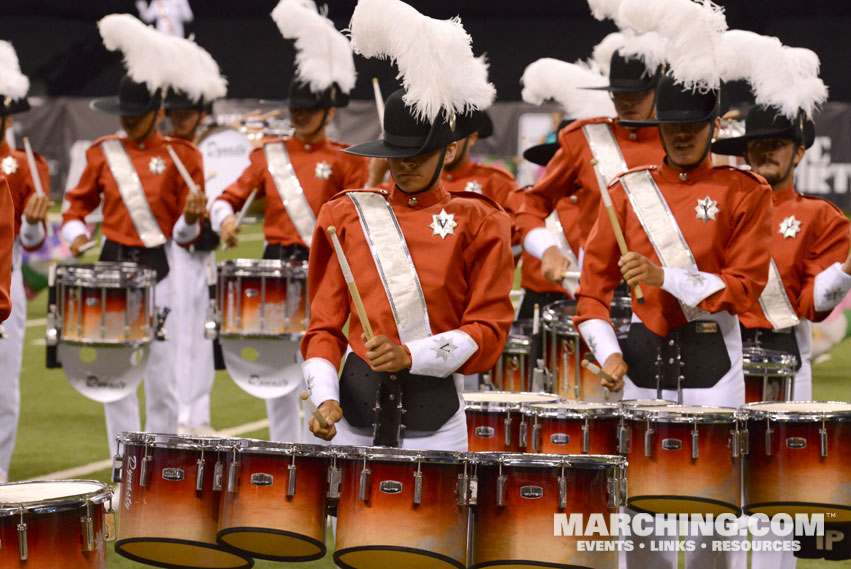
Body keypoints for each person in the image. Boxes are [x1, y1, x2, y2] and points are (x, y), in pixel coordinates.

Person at [304, 0, 513, 452]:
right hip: (352, 421)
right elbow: (323, 328)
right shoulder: (346, 215)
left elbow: (489, 330)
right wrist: (324, 399)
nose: (405, 165)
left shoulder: (481, 221)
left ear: (450, 152)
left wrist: (410, 356)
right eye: (396, 153)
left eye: (418, 154)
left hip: (439, 426)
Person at [210, 0, 368, 444]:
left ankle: (317, 442)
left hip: (325, 268)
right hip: (276, 268)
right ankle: (282, 451)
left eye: (309, 110)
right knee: (277, 368)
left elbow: (359, 214)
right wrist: (224, 220)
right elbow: (228, 197)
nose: (300, 116)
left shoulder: (344, 158)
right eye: (296, 109)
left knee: (316, 357)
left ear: (328, 111)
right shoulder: (269, 155)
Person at [61, 72, 206, 457]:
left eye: (136, 113)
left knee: (162, 378)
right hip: (111, 274)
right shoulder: (102, 152)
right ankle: (121, 464)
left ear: (157, 112)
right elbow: (75, 207)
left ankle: (160, 467)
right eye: (123, 112)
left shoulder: (183, 155)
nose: (127, 120)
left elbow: (188, 235)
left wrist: (192, 220)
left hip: (159, 273)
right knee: (114, 377)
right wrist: (75, 233)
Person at [517, 49, 666, 315]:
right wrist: (547, 249)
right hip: (600, 292)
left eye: (639, 93)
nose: (629, 101)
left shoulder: (675, 140)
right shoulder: (584, 140)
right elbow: (532, 205)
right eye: (620, 93)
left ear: (656, 91)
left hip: (665, 292)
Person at [0, 41, 51, 483]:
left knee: (3, 385)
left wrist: (34, 225)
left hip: (5, 275)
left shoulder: (23, 165)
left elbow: (32, 243)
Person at [164, 87, 225, 436]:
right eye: (176, 110)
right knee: (178, 335)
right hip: (174, 251)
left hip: (204, 251)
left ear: (202, 113)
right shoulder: (169, 151)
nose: (181, 116)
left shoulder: (213, 148)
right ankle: (179, 415)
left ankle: (198, 415)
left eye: (189, 110)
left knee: (203, 334)